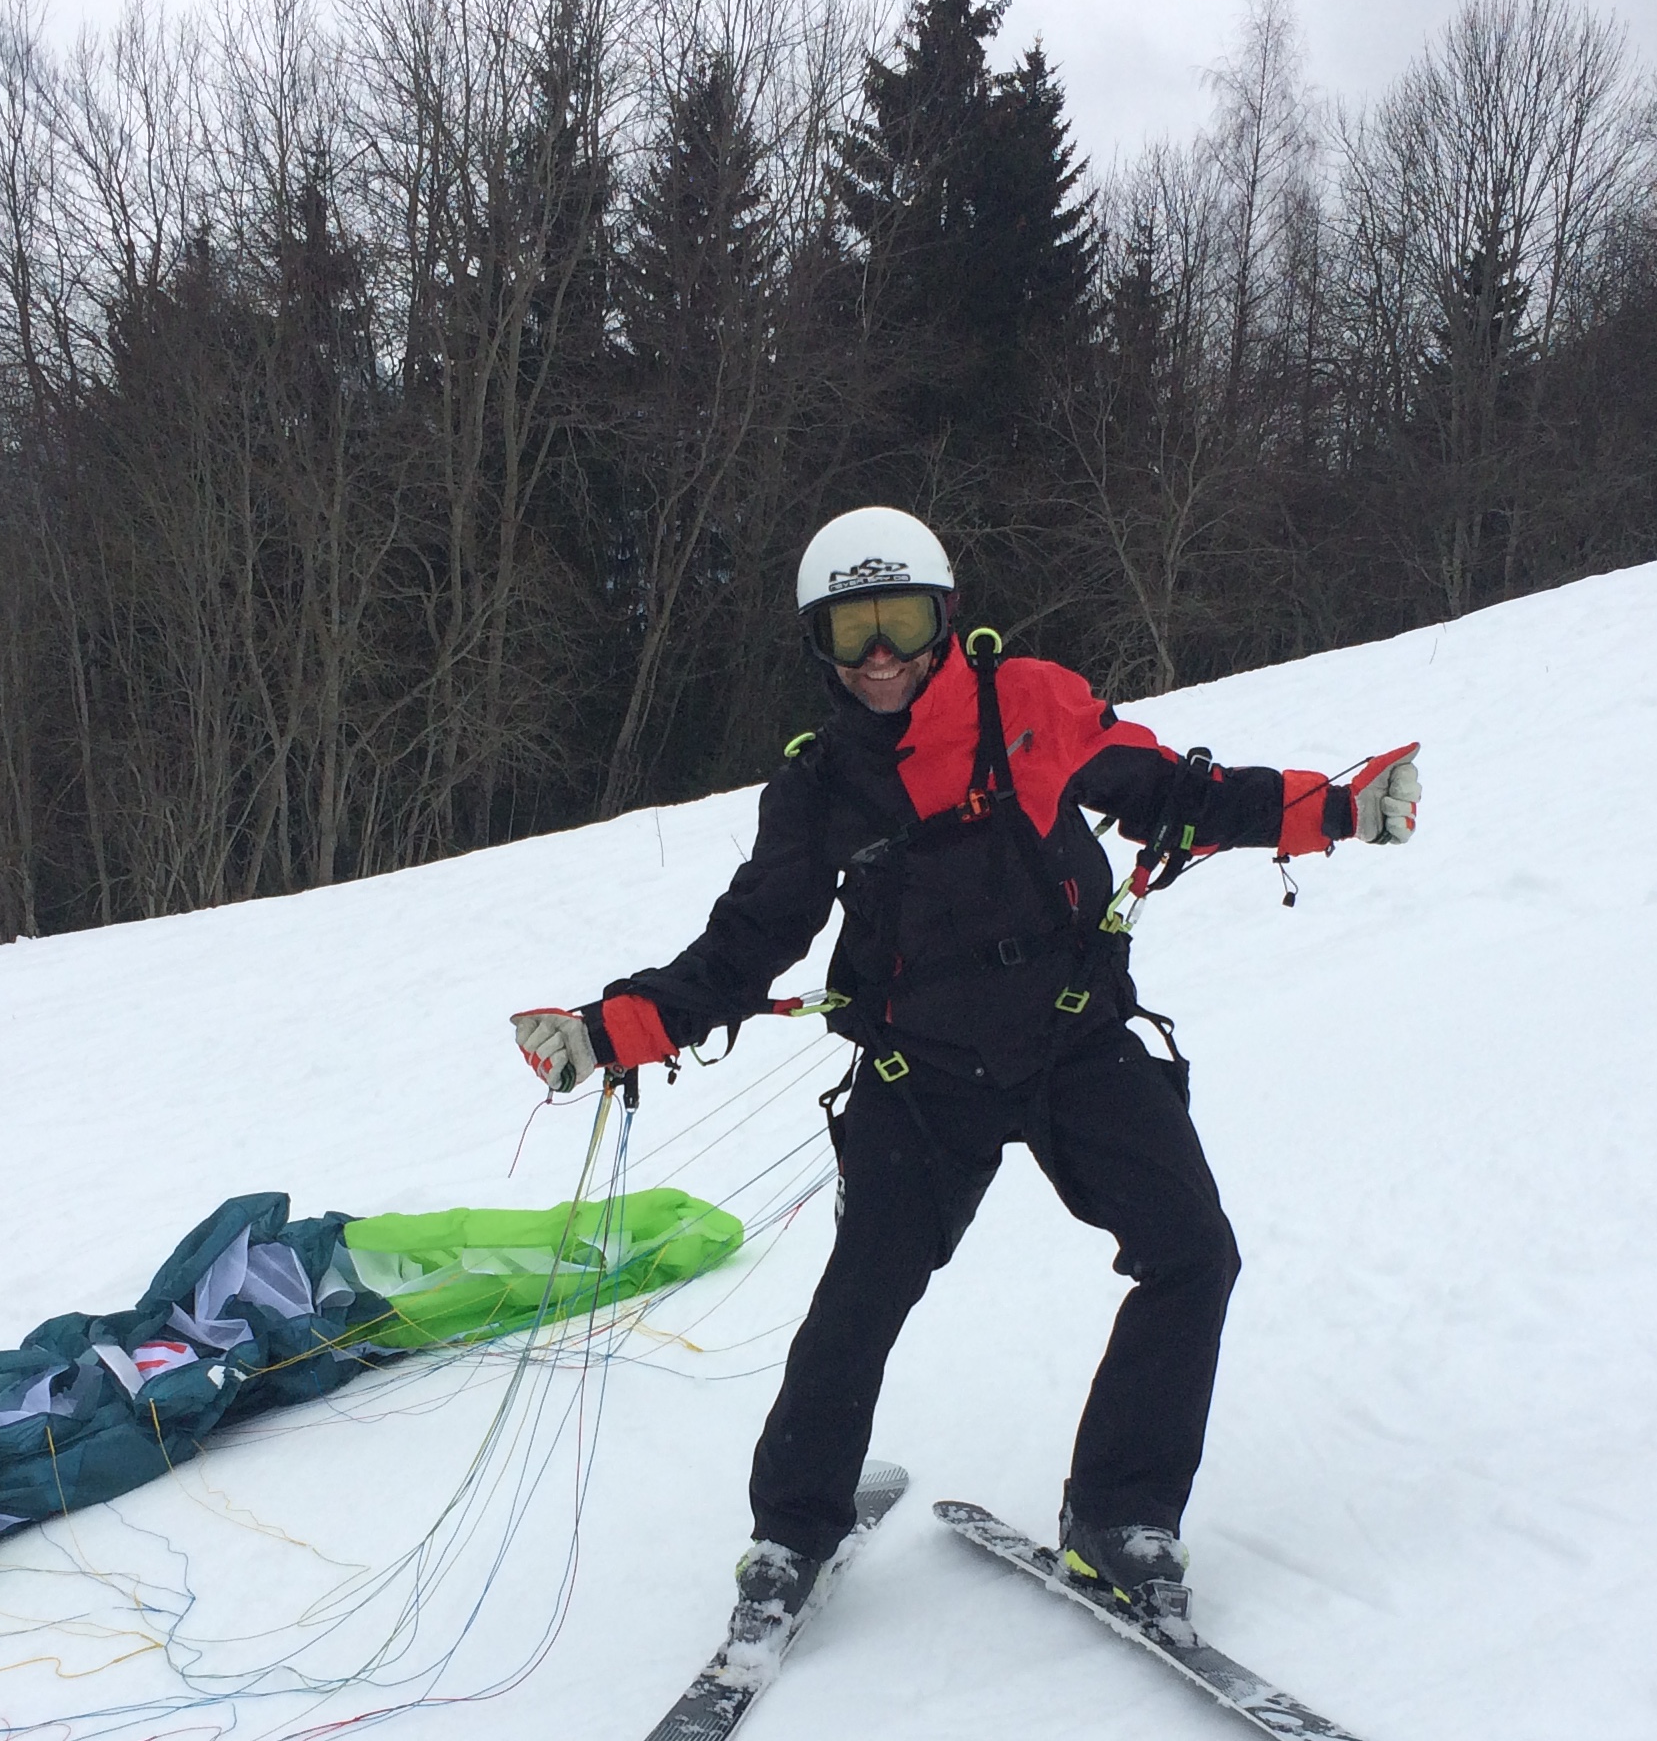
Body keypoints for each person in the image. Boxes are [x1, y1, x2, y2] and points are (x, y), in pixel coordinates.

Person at [510, 505, 1417, 1652]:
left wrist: (1336, 807)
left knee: (1194, 1253)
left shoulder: (1033, 704)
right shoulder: (819, 783)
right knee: (863, 1298)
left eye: (898, 622)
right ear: (820, 645)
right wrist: (618, 1028)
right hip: (920, 1078)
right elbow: (754, 937)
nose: (879, 655)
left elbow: (1175, 794)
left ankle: (1122, 1518)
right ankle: (792, 1531)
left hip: (1076, 1046)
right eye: (851, 632)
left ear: (944, 621)